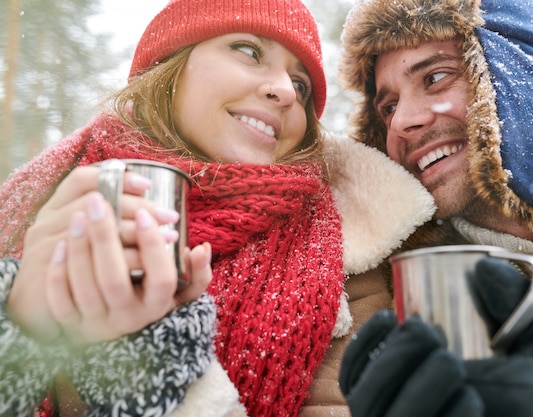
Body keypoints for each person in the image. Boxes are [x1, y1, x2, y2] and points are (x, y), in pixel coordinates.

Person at [0, 0, 437, 416]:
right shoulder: (40, 201)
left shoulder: (353, 250)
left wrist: (156, 378)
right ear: (169, 65)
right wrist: (20, 331)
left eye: (301, 85)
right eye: (248, 50)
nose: (286, 91)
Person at [336, 0, 533, 415]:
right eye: (387, 107)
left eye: (434, 78)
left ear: (516, 76)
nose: (400, 122)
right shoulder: (395, 281)